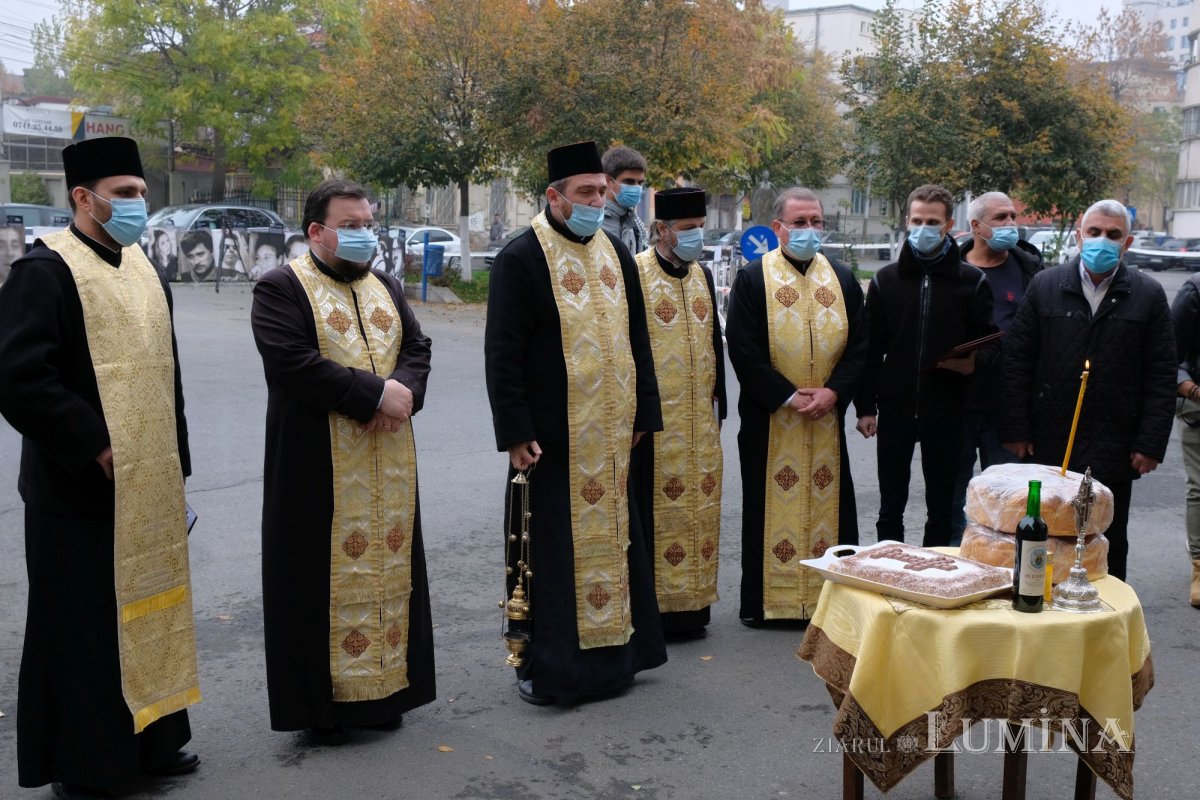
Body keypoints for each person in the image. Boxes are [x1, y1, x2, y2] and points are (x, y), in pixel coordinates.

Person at [0, 136, 200, 799]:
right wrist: (95, 442)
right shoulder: (45, 271)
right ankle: (85, 766)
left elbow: (165, 376)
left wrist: (175, 465)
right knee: (83, 629)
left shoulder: (142, 266)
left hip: (150, 482)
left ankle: (154, 743)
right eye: (126, 194)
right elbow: (20, 377)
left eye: (142, 193)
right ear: (84, 198)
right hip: (77, 487)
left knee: (151, 612)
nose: (140, 204)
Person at [250, 179, 435, 743]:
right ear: (315, 231)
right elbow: (292, 362)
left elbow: (416, 347)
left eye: (367, 223)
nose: (363, 234)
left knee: (390, 573)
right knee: (316, 583)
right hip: (314, 469)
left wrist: (400, 391)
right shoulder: (282, 287)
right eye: (350, 226)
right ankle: (324, 710)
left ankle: (384, 691)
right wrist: (374, 395)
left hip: (388, 459)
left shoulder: (386, 284)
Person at [484, 140, 666, 705]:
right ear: (554, 197)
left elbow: (638, 339)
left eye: (600, 191)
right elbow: (503, 353)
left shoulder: (614, 250)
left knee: (616, 543)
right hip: (551, 439)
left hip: (611, 435)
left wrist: (645, 413)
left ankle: (617, 660)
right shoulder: (521, 257)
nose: (596, 200)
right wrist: (514, 431)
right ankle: (552, 667)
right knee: (552, 556)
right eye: (584, 192)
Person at [1003, 199, 1176, 581]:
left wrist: (1150, 443)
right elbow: (1018, 360)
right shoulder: (1046, 285)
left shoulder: (1147, 294)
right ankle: (1040, 607)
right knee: (1045, 532)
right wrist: (1017, 429)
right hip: (1050, 437)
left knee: (1107, 537)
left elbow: (1161, 373)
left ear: (1126, 243)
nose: (1102, 241)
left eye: (1113, 235)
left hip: (1115, 441)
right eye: (1094, 232)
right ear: (1080, 235)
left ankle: (1106, 623)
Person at [726, 187, 866, 625]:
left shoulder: (841, 278)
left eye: (817, 222)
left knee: (834, 507)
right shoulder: (753, 278)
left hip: (826, 418)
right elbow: (743, 350)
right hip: (770, 421)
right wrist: (787, 395)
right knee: (764, 509)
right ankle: (767, 604)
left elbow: (860, 347)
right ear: (779, 228)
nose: (809, 231)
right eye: (800, 223)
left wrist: (835, 392)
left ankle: (829, 602)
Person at [854, 184, 998, 548]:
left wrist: (973, 365)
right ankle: (887, 572)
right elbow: (870, 349)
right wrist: (865, 407)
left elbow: (992, 344)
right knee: (890, 508)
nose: (923, 228)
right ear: (906, 221)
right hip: (895, 409)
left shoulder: (972, 281)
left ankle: (934, 580)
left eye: (932, 221)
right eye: (917, 220)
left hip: (948, 411)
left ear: (949, 224)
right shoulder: (887, 280)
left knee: (941, 510)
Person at [628, 187, 727, 638]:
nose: (696, 237)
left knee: (700, 509)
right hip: (656, 423)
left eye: (700, 228)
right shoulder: (637, 273)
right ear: (662, 230)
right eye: (688, 229)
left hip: (700, 421)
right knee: (655, 511)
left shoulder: (703, 276)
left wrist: (719, 403)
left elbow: (712, 344)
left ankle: (694, 607)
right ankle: (658, 612)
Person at [951, 192, 1043, 540]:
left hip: (1009, 408)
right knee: (952, 502)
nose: (1010, 225)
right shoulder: (953, 271)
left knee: (1009, 505)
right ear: (976, 226)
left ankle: (1007, 575)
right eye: (1001, 218)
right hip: (957, 404)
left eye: (1012, 217)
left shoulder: (1030, 270)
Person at [1171, 271, 1200, 605]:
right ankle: (1199, 565)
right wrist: (1192, 390)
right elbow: (1171, 356)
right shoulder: (1195, 290)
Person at [600, 144, 649, 255]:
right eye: (629, 181)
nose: (636, 187)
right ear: (608, 181)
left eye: (640, 183)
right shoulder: (595, 220)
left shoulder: (635, 222)